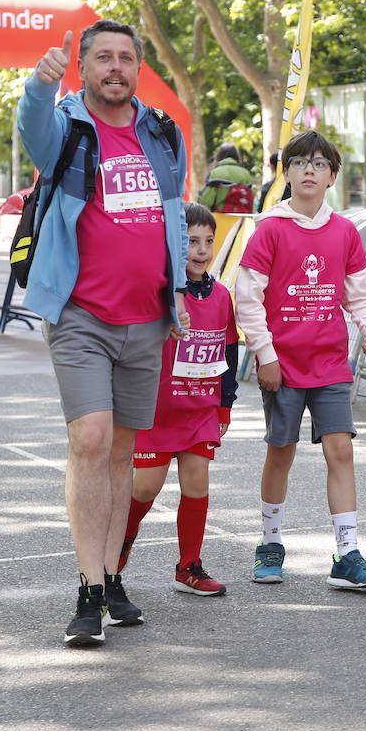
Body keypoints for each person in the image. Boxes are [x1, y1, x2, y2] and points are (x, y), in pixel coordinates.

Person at [18, 18, 189, 647]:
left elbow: (173, 219)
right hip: (80, 315)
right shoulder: (67, 126)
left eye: (126, 58)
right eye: (103, 59)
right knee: (90, 440)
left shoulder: (161, 132)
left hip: (147, 318)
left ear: (137, 67)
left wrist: (178, 295)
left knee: (123, 452)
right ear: (84, 67)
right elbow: (35, 138)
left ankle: (113, 572)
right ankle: (89, 590)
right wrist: (38, 89)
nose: (115, 68)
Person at [235, 130, 366, 590]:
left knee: (340, 450)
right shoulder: (269, 229)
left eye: (320, 163)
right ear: (287, 173)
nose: (309, 169)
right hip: (281, 365)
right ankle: (270, 543)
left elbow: (359, 295)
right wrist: (264, 355)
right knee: (280, 452)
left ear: (332, 177)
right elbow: (247, 299)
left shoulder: (344, 232)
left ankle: (347, 553)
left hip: (328, 365)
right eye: (300, 161)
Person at [117, 203, 239, 597]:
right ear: (173, 244)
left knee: (197, 483)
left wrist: (225, 403)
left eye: (208, 241)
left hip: (200, 410)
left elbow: (229, 352)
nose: (201, 250)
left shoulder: (221, 296)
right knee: (145, 489)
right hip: (158, 411)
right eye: (190, 241)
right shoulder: (160, 296)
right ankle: (119, 543)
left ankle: (189, 566)